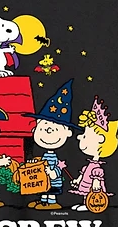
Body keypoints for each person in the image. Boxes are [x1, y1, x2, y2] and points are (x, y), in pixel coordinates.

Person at [22, 78, 79, 209]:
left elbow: (57, 169)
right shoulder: (45, 156)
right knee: (44, 190)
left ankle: (52, 203)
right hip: (43, 181)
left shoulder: (54, 158)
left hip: (53, 182)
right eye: (42, 128)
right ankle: (43, 201)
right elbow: (41, 164)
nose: (48, 132)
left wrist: (52, 172)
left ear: (67, 132)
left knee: (51, 192)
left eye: (55, 129)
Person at [70, 97, 118, 211]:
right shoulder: (90, 164)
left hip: (94, 189)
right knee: (85, 193)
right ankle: (85, 203)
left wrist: (96, 183)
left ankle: (89, 205)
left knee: (91, 194)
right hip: (87, 183)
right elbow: (84, 173)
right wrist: (77, 180)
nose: (79, 137)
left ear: (100, 139)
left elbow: (97, 176)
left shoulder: (96, 167)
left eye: (85, 135)